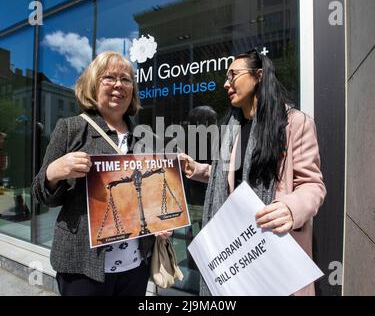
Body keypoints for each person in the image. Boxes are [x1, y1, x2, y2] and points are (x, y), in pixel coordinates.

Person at [180, 48, 326, 296]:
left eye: (232, 75)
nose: (226, 84)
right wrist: (197, 169)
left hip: (272, 250)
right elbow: (228, 176)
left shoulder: (294, 123)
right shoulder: (230, 128)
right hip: (233, 253)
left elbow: (312, 185)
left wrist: (291, 208)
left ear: (258, 75)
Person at [32, 51, 171, 296]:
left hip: (134, 266)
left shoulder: (147, 139)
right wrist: (54, 173)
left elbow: (154, 196)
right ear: (94, 84)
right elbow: (41, 196)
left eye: (126, 79)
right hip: (82, 267)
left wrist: (162, 222)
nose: (118, 84)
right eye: (109, 77)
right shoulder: (71, 129)